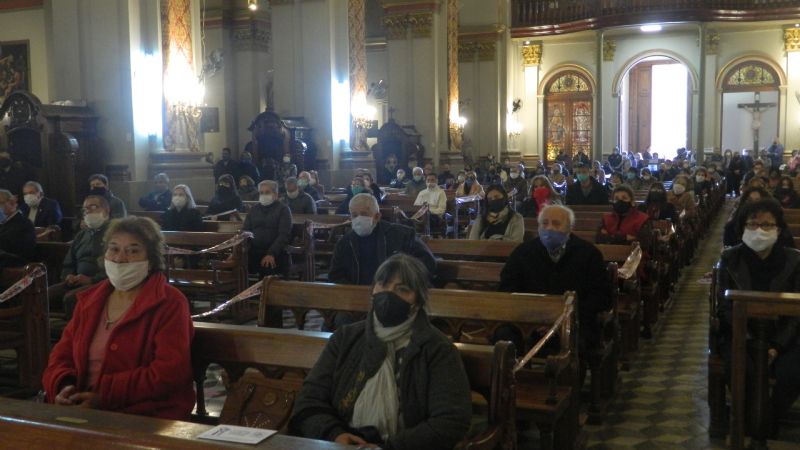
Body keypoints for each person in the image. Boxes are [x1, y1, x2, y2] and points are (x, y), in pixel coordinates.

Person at [290, 254, 471, 448]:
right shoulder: (346, 338)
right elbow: (309, 400)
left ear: (417, 301)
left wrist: (388, 448)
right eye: (382, 285)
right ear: (373, 290)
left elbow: (450, 421)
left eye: (402, 289)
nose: (388, 294)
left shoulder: (437, 348)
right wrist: (335, 434)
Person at [42, 216, 195, 419]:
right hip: (80, 405)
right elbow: (62, 354)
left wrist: (103, 396)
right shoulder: (91, 300)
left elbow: (169, 372)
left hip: (143, 413)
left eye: (133, 250)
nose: (120, 258)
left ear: (151, 260)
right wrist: (63, 386)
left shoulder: (170, 303)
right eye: (114, 249)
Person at [715, 198, 800, 438]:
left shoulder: (794, 260)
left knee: (792, 372)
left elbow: (797, 311)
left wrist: (775, 345)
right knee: (744, 369)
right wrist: (751, 340)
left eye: (766, 225)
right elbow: (725, 307)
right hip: (740, 334)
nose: (759, 230)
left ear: (778, 229)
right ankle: (750, 419)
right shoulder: (730, 259)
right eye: (752, 225)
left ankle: (769, 417)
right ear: (743, 228)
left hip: (785, 336)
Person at [499, 204, 613, 361]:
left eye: (556, 224)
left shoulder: (589, 254)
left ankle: (570, 384)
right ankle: (513, 382)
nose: (549, 229)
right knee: (504, 338)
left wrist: (564, 319)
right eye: (544, 223)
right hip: (528, 322)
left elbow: (601, 295)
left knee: (575, 341)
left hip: (574, 321)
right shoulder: (523, 253)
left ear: (570, 228)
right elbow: (507, 289)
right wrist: (533, 318)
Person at [329, 193, 436, 285]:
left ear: (377, 216)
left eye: (364, 214)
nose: (358, 219)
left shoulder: (403, 235)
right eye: (354, 215)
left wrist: (400, 285)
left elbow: (427, 264)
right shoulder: (345, 242)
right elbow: (336, 276)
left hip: (396, 294)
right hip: (357, 298)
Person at [50, 195, 111, 319]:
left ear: (106, 210)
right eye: (85, 209)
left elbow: (114, 265)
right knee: (45, 295)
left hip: (102, 282)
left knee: (71, 299)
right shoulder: (82, 235)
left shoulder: (114, 234)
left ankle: (76, 335)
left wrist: (92, 280)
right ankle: (46, 334)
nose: (88, 211)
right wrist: (68, 276)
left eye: (93, 207)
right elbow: (69, 261)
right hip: (77, 281)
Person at [242, 180, 292, 277]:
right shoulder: (254, 210)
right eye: (261, 193)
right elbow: (246, 231)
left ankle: (264, 291)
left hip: (276, 252)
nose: (264, 195)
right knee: (238, 264)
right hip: (254, 250)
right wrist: (240, 250)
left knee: (267, 265)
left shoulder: (283, 210)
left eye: (267, 192)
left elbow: (284, 234)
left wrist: (271, 253)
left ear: (275, 194)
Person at [723, 187, 794, 248]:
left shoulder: (782, 231)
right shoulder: (731, 227)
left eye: (766, 225)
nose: (753, 206)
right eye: (752, 224)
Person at [0, 189, 36, 267]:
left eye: (0, 203)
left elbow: (23, 252)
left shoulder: (24, 223)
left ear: (12, 203)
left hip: (15, 265)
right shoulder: (2, 223)